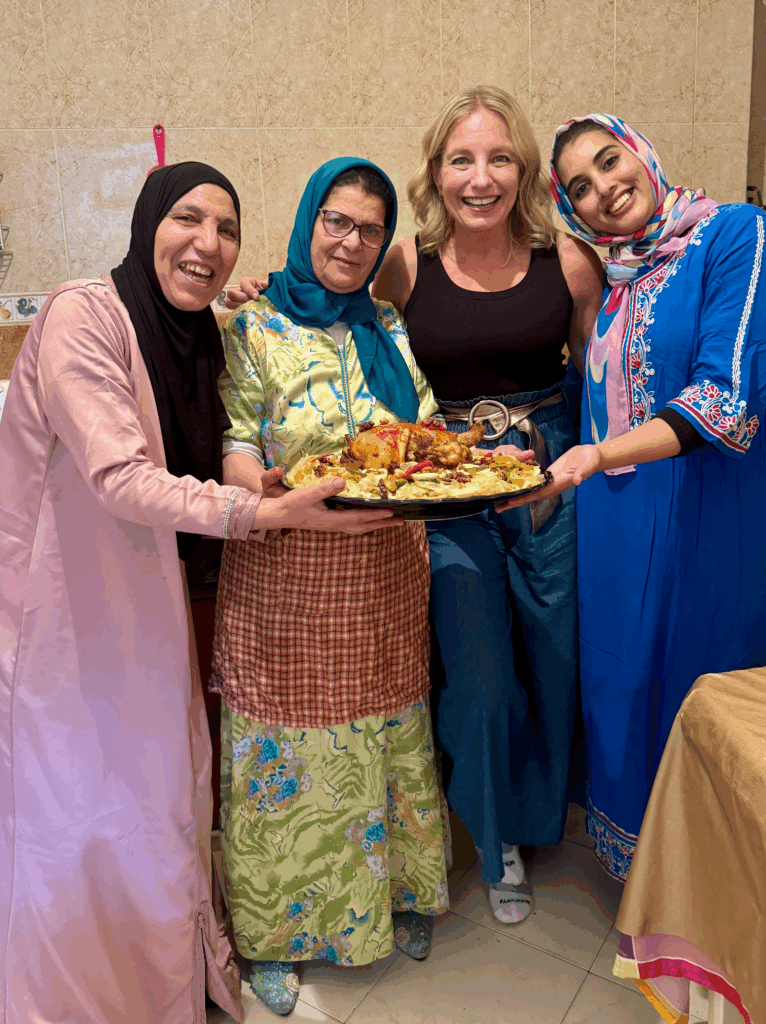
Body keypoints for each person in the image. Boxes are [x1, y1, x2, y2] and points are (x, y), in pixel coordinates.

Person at [0, 161, 398, 1024]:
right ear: (146, 221)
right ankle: (64, 1003)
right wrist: (267, 514)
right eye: (188, 219)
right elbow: (122, 476)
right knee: (67, 818)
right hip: (51, 614)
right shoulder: (83, 315)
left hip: (142, 602)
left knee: (154, 802)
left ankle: (160, 991)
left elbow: (206, 449)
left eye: (227, 228)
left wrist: (265, 479)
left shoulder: (195, 335)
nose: (207, 243)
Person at [503, 115, 766, 881]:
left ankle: (703, 885)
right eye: (580, 187)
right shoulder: (616, 283)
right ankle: (643, 876)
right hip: (616, 534)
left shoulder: (737, 236)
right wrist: (536, 449)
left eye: (610, 162)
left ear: (642, 153)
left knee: (702, 692)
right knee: (623, 684)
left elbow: (727, 399)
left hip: (712, 527)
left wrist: (600, 454)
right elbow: (593, 400)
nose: (604, 189)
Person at [210, 157, 450, 1016]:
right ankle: (276, 935)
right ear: (310, 222)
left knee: (384, 733)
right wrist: (260, 494)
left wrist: (453, 455)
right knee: (290, 753)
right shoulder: (253, 323)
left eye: (371, 229)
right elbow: (237, 439)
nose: (353, 241)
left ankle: (398, 896)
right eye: (338, 223)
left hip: (383, 571)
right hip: (287, 571)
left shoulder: (384, 322)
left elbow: (419, 423)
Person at [370, 85, 604, 923]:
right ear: (436, 174)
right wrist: (260, 289)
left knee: (555, 660)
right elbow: (330, 320)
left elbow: (617, 363)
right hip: (449, 500)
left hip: (549, 489)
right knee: (479, 680)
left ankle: (547, 820)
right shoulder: (402, 264)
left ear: (526, 170)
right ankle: (499, 836)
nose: (481, 177)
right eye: (461, 159)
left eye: (499, 157)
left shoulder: (569, 261)